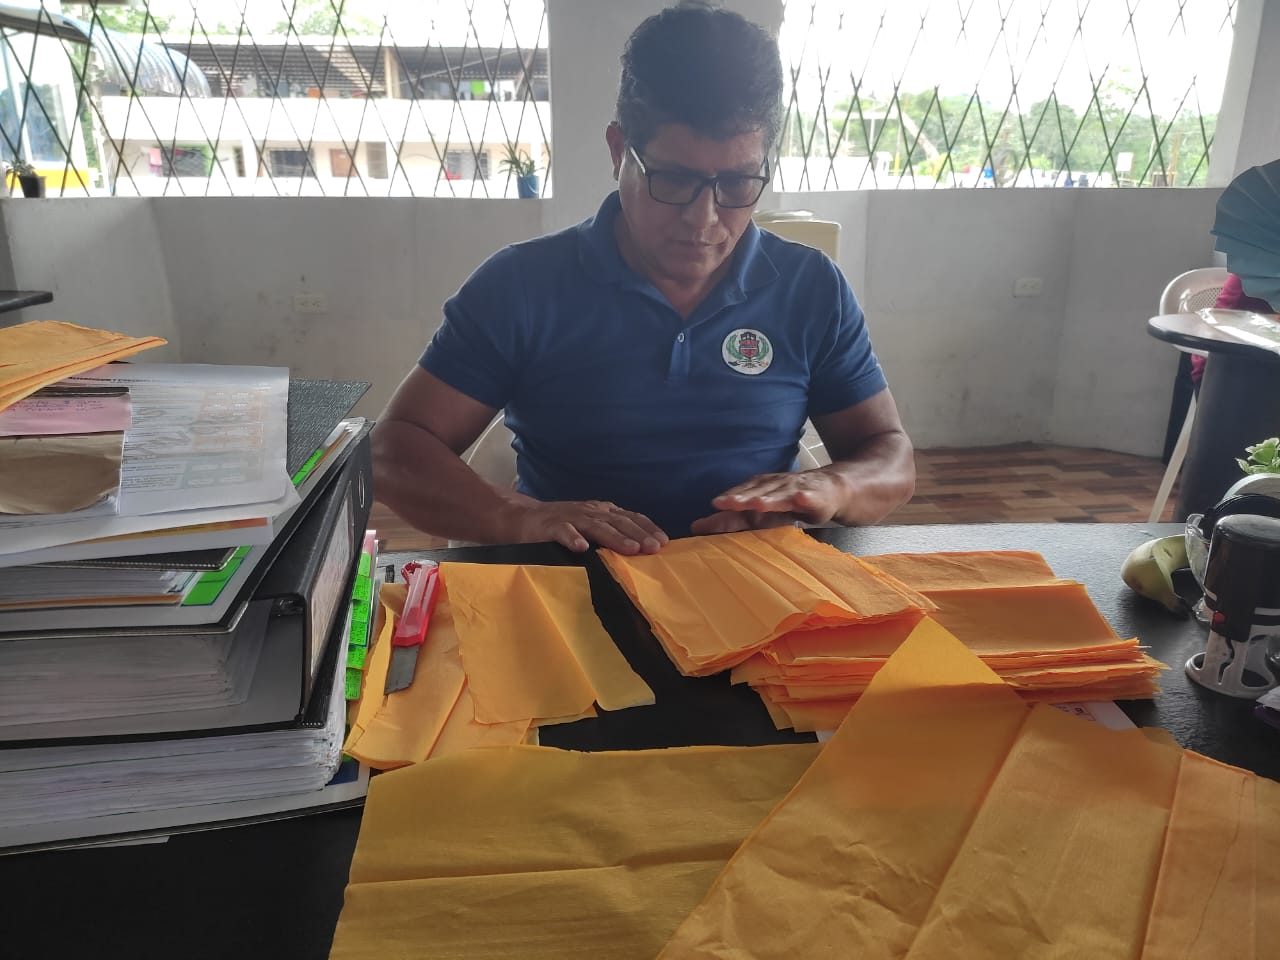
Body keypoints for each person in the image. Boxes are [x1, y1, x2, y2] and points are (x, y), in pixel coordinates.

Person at [372, 2, 914, 556]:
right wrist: (517, 515)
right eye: (673, 180)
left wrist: (831, 487)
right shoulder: (522, 287)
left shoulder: (811, 288)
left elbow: (889, 455)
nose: (703, 219)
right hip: (572, 580)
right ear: (618, 152)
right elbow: (393, 449)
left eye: (736, 182)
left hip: (753, 579)